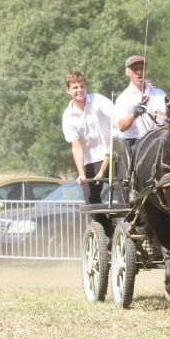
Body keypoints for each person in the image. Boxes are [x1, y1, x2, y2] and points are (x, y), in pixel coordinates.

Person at [61, 70, 114, 237]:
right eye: (75, 87)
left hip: (112, 154)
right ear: (68, 90)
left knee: (125, 199)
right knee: (92, 204)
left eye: (82, 86)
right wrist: (81, 173)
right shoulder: (68, 116)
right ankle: (108, 235)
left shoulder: (98, 100)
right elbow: (77, 147)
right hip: (90, 159)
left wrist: (104, 168)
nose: (79, 90)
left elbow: (116, 127)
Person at [113, 55, 168, 148]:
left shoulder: (159, 93)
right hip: (135, 142)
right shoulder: (123, 98)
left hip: (160, 140)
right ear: (127, 72)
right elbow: (121, 127)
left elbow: (168, 117)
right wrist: (134, 114)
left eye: (141, 69)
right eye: (135, 69)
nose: (139, 72)